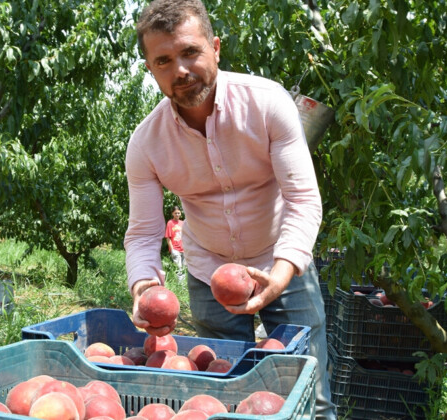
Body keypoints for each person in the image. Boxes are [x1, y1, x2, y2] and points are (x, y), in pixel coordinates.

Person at [122, 1, 336, 419]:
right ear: (151, 69)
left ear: (215, 48)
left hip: (283, 264)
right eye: (163, 61)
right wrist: (145, 289)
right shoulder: (146, 144)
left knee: (311, 394)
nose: (180, 70)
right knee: (229, 393)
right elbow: (144, 233)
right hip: (210, 275)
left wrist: (280, 273)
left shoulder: (267, 103)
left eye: (190, 52)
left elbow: (303, 199)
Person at [165, 205, 186, 281]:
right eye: (175, 213)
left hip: (183, 249)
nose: (177, 215)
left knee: (184, 268)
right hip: (175, 249)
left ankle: (183, 285)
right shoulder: (170, 223)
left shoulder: (183, 223)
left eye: (178, 213)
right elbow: (168, 237)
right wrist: (172, 249)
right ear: (172, 214)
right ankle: (180, 285)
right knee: (179, 268)